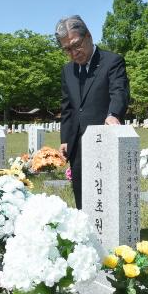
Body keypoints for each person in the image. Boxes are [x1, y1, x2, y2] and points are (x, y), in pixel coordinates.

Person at [56, 15, 130, 209]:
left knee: (105, 191)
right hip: (77, 143)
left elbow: (119, 92)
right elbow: (68, 107)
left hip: (103, 137)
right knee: (81, 192)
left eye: (76, 45)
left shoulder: (112, 61)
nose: (73, 53)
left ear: (88, 36)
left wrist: (113, 114)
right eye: (67, 49)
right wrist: (65, 139)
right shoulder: (67, 71)